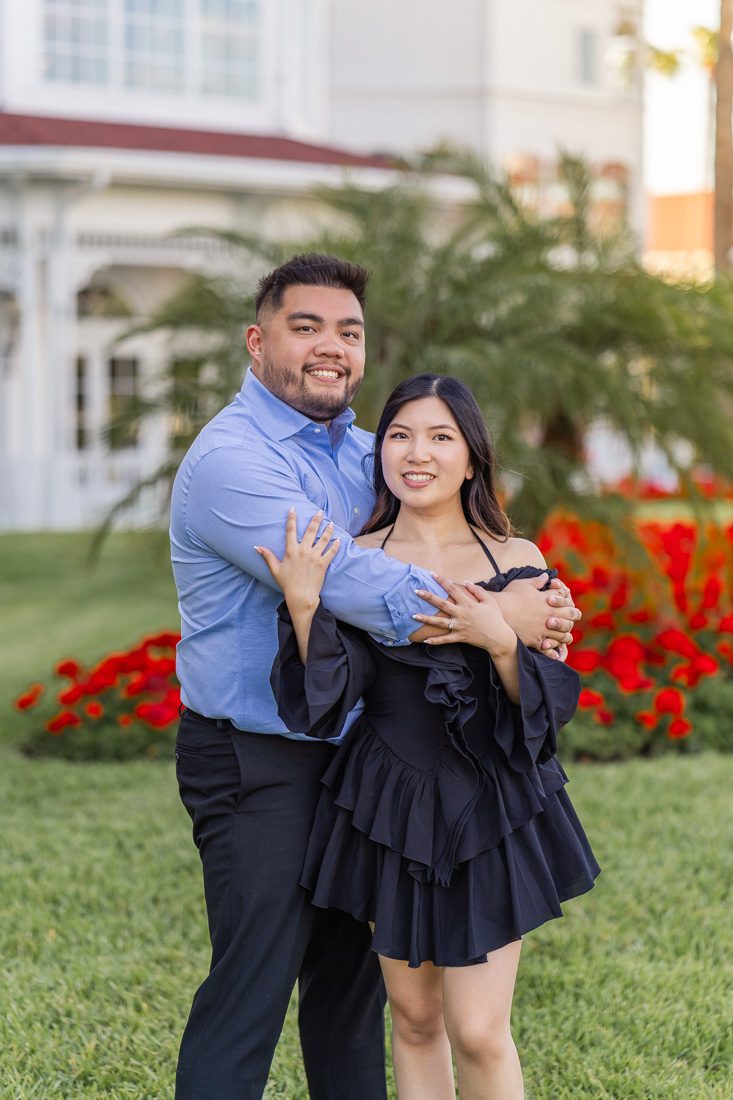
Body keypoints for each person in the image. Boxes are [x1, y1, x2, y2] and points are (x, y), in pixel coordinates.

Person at [169, 254, 581, 1099]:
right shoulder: (231, 464)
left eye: (348, 331)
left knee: (357, 998)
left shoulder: (370, 453)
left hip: (370, 769)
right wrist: (501, 612)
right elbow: (361, 587)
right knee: (252, 990)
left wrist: (530, 590)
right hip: (261, 760)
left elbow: (443, 508)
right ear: (257, 341)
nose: (331, 346)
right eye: (306, 326)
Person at [259, 373, 600, 1100]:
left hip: (489, 802)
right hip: (389, 797)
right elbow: (327, 698)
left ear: (470, 458)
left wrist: (497, 638)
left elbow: (541, 718)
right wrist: (304, 604)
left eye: (440, 436)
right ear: (381, 450)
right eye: (401, 435)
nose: (417, 453)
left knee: (477, 1029)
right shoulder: (357, 555)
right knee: (413, 1020)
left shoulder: (518, 557)